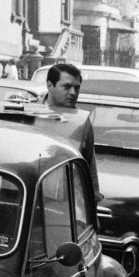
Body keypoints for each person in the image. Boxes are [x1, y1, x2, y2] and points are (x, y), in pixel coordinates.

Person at [44, 63, 100, 201]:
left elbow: (89, 165)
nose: (73, 93)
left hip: (66, 201)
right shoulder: (29, 113)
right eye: (67, 87)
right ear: (50, 86)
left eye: (77, 88)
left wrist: (93, 198)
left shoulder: (81, 122)